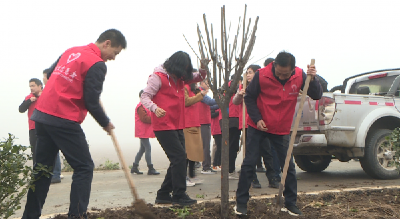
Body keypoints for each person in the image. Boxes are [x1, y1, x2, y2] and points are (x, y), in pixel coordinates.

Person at [22, 29, 127, 219]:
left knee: (42, 170)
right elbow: (91, 101)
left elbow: (50, 73)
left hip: (42, 116)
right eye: (115, 53)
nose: (113, 58)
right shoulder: (97, 64)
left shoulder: (72, 51)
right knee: (84, 167)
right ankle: (77, 216)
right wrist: (106, 123)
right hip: (63, 118)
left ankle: (29, 216)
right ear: (107, 44)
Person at [235, 51, 322, 216]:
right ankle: (241, 203)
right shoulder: (261, 76)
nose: (282, 77)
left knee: (288, 165)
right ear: (274, 65)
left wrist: (313, 78)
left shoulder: (299, 75)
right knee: (249, 163)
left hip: (281, 128)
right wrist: (257, 118)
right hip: (258, 125)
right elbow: (250, 98)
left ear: (293, 69)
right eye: (279, 73)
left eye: (286, 74)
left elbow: (316, 95)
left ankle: (290, 203)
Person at [141, 51, 206, 206]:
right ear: (174, 66)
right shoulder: (157, 77)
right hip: (163, 125)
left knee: (179, 158)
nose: (184, 75)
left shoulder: (180, 77)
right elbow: (145, 96)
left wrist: (203, 67)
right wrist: (155, 108)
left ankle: (163, 194)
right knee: (179, 157)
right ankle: (179, 195)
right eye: (182, 70)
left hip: (177, 124)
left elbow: (199, 77)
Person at [42, 69, 64, 183]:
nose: (43, 79)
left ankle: (55, 175)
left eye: (44, 77)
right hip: (47, 124)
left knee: (54, 150)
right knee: (50, 151)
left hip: (54, 123)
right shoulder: (47, 90)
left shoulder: (54, 89)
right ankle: (52, 174)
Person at [131, 90, 160, 175]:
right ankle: (150, 168)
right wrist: (155, 119)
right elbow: (144, 118)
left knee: (142, 149)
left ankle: (134, 167)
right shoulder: (141, 106)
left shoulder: (143, 106)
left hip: (143, 131)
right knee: (148, 148)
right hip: (142, 131)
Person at [183, 82, 207, 185]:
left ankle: (192, 175)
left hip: (195, 122)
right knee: (187, 153)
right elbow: (186, 101)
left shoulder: (194, 90)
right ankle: (184, 177)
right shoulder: (185, 87)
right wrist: (200, 95)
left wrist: (200, 92)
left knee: (195, 152)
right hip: (187, 123)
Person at [198, 81, 219, 174]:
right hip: (202, 122)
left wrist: (220, 105)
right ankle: (206, 167)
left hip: (205, 121)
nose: (209, 85)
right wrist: (222, 98)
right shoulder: (200, 92)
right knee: (205, 145)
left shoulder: (201, 93)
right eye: (207, 83)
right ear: (201, 83)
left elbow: (210, 106)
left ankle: (206, 166)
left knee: (206, 145)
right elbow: (210, 102)